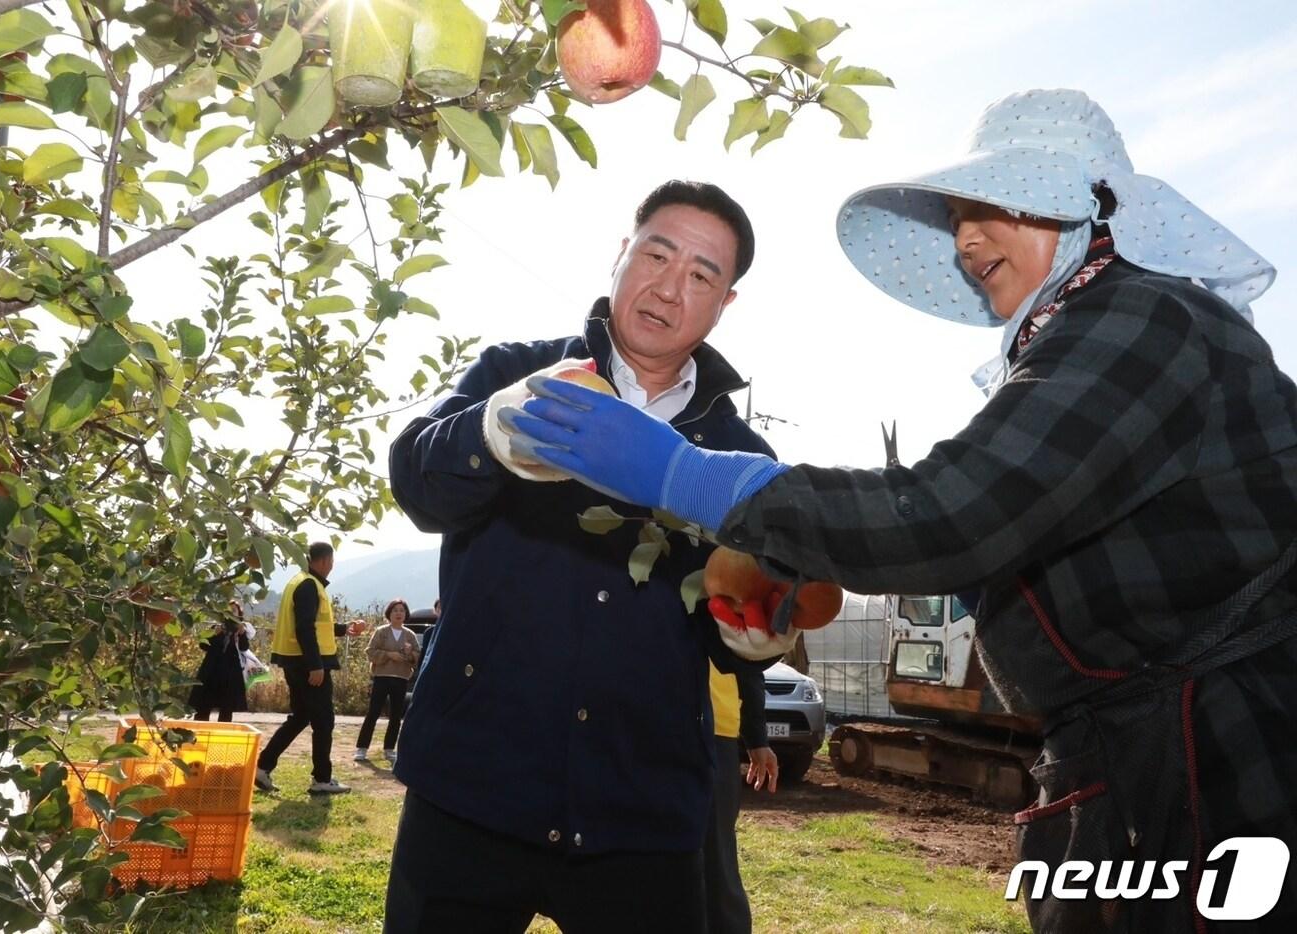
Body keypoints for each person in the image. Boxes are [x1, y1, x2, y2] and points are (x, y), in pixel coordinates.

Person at [509, 90, 1296, 931]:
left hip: (1219, 756)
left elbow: (949, 515)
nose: (963, 238)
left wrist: (693, 477)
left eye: (991, 205)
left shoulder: (1146, 319)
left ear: (1090, 208)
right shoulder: (1091, 332)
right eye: (957, 214)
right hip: (1129, 758)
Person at [385, 180, 778, 932]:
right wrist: (492, 432)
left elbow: (744, 636)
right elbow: (417, 483)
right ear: (620, 255)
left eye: (701, 274)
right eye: (656, 254)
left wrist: (756, 633)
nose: (669, 287)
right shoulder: (518, 374)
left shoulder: (736, 455)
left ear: (725, 304)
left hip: (640, 812)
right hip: (472, 785)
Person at [255, 542, 365, 796]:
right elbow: (305, 628)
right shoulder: (309, 585)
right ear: (326, 561)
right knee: (324, 720)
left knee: (301, 716)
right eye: (332, 561)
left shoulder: (301, 581)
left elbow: (316, 624)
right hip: (309, 664)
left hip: (296, 661)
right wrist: (315, 666)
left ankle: (262, 767)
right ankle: (322, 779)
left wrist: (344, 628)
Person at [704, 665, 776, 934]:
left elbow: (748, 656)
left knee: (715, 859)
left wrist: (757, 738)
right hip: (640, 727)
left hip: (713, 730)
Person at [355, 598, 421, 763]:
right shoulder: (381, 631)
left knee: (396, 715)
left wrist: (409, 653)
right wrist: (388, 655)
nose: (399, 613)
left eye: (402, 610)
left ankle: (389, 748)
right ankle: (362, 748)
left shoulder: (410, 635)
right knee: (373, 713)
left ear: (405, 614)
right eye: (395, 610)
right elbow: (370, 651)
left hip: (401, 678)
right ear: (389, 614)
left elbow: (418, 656)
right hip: (382, 677)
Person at [187, 601, 252, 722]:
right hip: (211, 671)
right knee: (203, 705)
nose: (230, 612)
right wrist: (213, 634)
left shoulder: (241, 630)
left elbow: (244, 648)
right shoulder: (216, 627)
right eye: (228, 610)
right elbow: (203, 645)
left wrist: (242, 634)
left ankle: (223, 734)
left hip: (230, 674)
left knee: (227, 708)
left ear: (239, 613)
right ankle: (200, 731)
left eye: (234, 610)